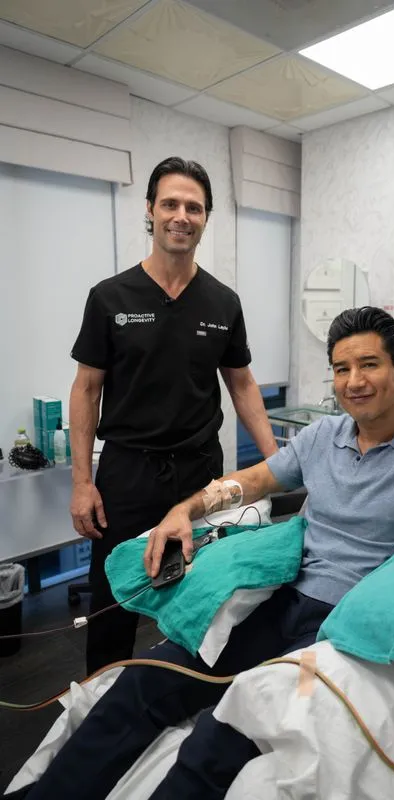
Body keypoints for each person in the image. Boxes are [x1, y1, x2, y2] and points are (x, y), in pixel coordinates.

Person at [17, 307, 394, 800]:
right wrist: (185, 510)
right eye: (342, 369)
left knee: (222, 733)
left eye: (369, 365)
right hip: (281, 600)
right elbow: (254, 480)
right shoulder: (323, 436)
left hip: (339, 626)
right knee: (142, 682)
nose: (354, 381)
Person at [68, 157, 278, 674]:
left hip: (200, 473)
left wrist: (277, 463)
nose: (181, 216)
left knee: (202, 592)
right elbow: (86, 389)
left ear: (205, 218)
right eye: (170, 204)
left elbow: (242, 384)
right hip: (128, 474)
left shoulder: (223, 302)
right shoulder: (110, 298)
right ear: (150, 210)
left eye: (194, 207)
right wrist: (82, 482)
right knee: (114, 599)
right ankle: (99, 698)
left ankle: (189, 690)